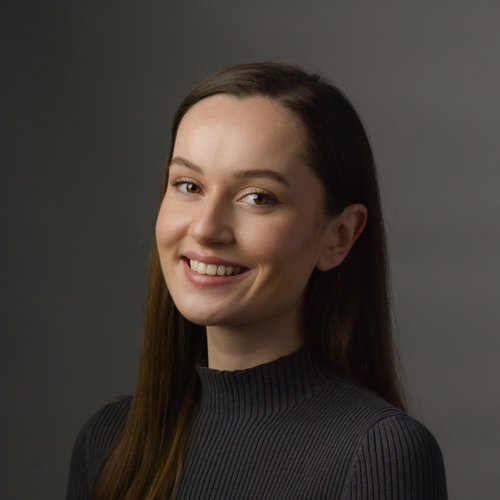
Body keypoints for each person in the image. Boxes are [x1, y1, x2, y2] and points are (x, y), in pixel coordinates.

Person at [65, 62, 447, 500]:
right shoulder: (106, 441)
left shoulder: (380, 452)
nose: (206, 229)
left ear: (338, 236)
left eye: (258, 197)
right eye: (188, 186)